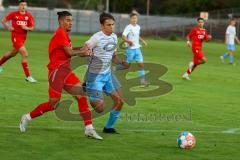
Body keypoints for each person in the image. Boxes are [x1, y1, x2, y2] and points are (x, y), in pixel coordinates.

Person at [19, 11, 103, 140]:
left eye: (71, 20)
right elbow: (69, 52)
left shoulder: (64, 35)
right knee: (53, 104)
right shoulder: (60, 34)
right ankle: (27, 117)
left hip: (66, 72)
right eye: (68, 20)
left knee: (80, 96)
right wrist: (83, 52)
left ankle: (89, 128)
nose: (71, 23)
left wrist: (83, 48)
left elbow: (68, 50)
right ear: (61, 21)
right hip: (56, 73)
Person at [85, 12, 126, 134]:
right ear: (102, 26)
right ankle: (88, 89)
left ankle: (108, 128)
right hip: (95, 76)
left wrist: (121, 62)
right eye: (108, 25)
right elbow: (85, 48)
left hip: (107, 74)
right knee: (100, 108)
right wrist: (87, 52)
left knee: (120, 102)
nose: (111, 27)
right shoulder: (96, 38)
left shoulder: (114, 37)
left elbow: (113, 56)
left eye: (113, 24)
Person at [0, 0, 37, 82]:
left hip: (23, 38)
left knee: (12, 53)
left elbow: (32, 28)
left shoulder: (29, 16)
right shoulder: (14, 14)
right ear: (19, 6)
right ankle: (28, 76)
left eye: (25, 5)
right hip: (15, 37)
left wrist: (26, 28)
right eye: (21, 5)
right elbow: (3, 21)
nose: (23, 6)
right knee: (25, 54)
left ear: (26, 6)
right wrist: (8, 27)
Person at [120, 13, 149, 87]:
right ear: (130, 19)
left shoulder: (138, 27)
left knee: (141, 65)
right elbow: (123, 36)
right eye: (133, 18)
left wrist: (143, 41)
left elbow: (137, 36)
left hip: (137, 48)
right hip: (130, 49)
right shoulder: (128, 27)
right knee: (126, 66)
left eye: (135, 18)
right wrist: (128, 41)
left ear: (137, 19)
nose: (134, 20)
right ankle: (114, 69)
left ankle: (142, 81)